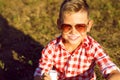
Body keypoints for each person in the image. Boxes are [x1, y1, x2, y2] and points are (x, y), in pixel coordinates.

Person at [34, 0, 120, 80]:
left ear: (89, 26)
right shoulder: (52, 48)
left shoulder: (92, 47)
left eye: (80, 27)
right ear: (59, 25)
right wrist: (43, 78)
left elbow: (112, 71)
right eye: (67, 26)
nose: (73, 32)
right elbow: (40, 73)